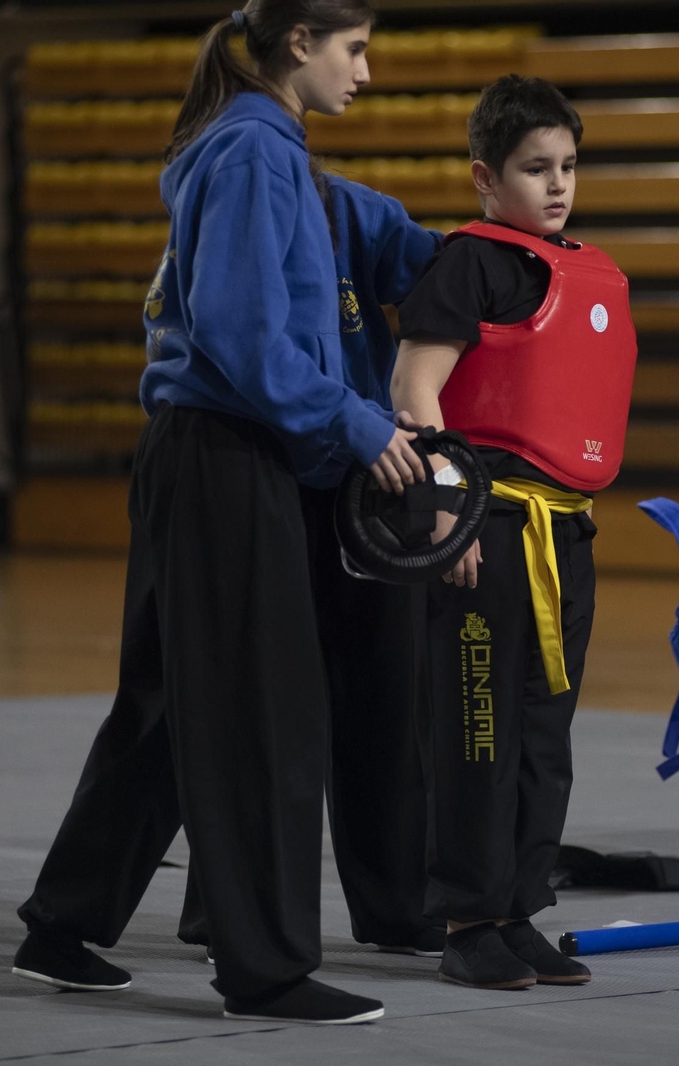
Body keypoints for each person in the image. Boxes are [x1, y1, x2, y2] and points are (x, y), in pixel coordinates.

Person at [10, 0, 427, 1026]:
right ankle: (265, 968)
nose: (365, 72)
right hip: (224, 455)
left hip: (205, 455)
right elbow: (243, 335)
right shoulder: (252, 151)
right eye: (355, 48)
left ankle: (61, 925)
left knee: (164, 708)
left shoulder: (256, 147)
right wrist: (359, 425)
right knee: (261, 718)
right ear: (299, 44)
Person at [390, 75, 638, 989]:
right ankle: (466, 920)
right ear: (486, 180)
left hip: (564, 530)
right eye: (536, 169)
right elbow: (413, 394)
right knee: (475, 726)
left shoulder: (589, 269)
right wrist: (445, 520)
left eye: (569, 165)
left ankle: (519, 906)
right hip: (484, 522)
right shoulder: (468, 263)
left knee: (544, 728)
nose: (559, 184)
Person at [177, 170, 446, 960]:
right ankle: (223, 907)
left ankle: (398, 907)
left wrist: (510, 240)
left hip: (373, 475)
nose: (362, 70)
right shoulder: (234, 198)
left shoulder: (350, 210)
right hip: (262, 473)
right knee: (263, 707)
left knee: (389, 697)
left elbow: (441, 274)